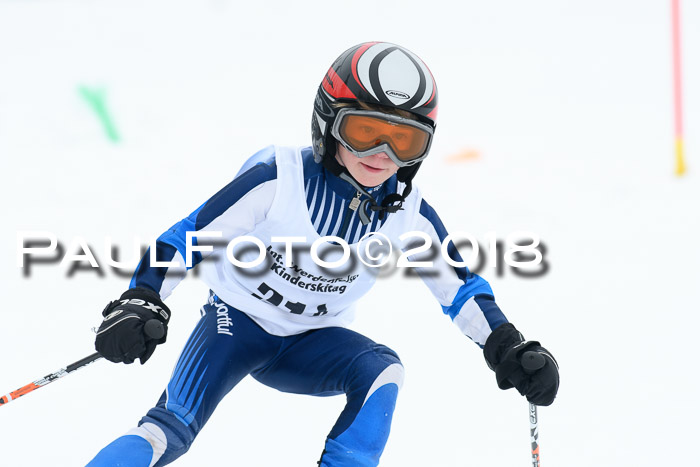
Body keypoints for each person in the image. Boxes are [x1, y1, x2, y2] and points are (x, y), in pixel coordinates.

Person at [88, 42, 559, 467]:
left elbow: (461, 291)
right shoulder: (279, 180)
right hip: (235, 324)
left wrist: (507, 347)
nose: (381, 154)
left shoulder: (410, 217)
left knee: (382, 371)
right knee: (169, 431)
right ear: (327, 124)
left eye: (405, 140)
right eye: (364, 130)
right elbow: (187, 237)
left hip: (313, 343)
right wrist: (144, 297)